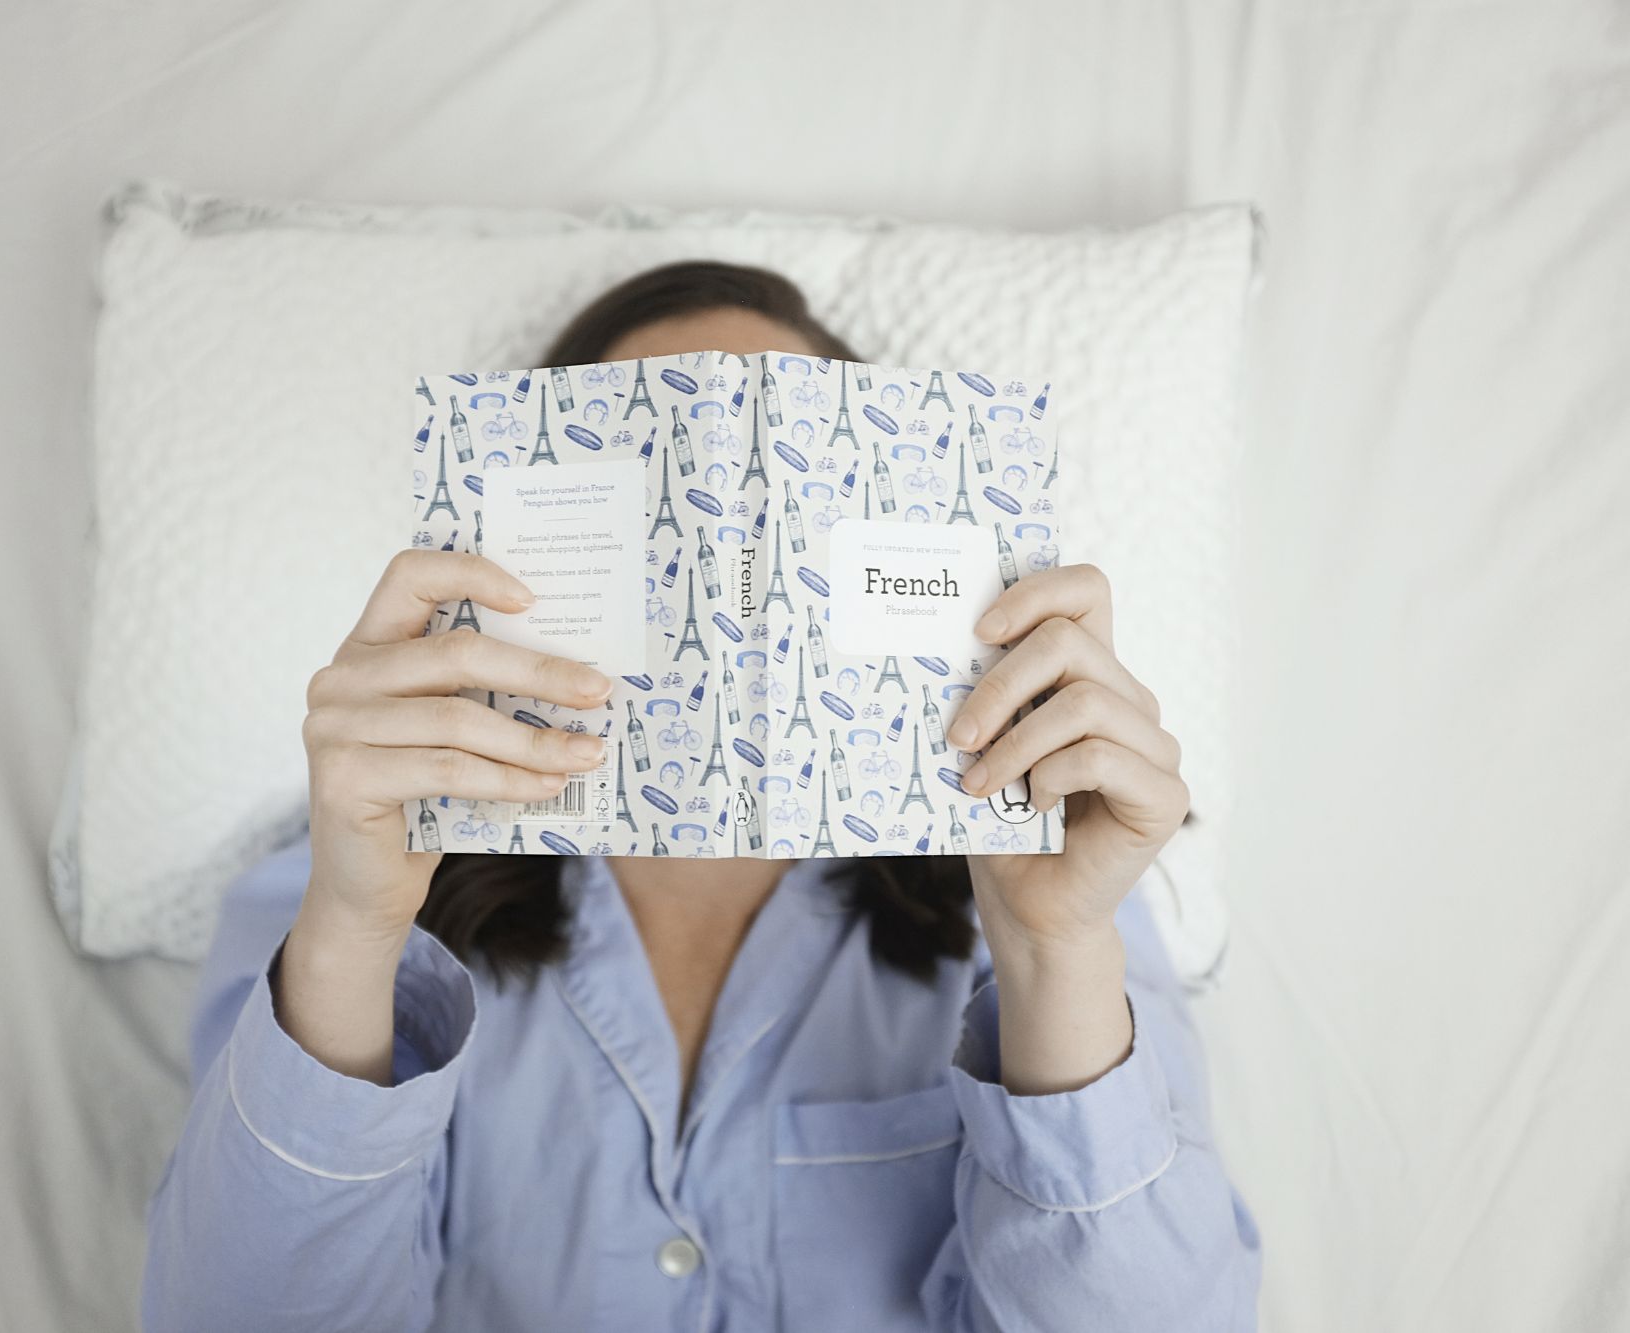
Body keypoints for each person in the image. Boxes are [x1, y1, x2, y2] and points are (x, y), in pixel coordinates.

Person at [142, 261, 1263, 1331]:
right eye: (667, 506)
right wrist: (353, 927)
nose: (725, 582)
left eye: (774, 522)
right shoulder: (341, 866)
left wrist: (1049, 949)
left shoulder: (1049, 886)